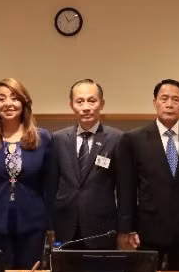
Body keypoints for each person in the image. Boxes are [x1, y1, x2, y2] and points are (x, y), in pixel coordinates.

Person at [116, 79, 179, 270]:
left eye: (176, 100)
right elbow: (126, 189)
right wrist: (127, 228)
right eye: (164, 98)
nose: (169, 104)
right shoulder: (133, 139)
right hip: (146, 229)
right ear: (154, 102)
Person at [0, 78, 53, 269]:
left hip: (33, 224)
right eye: (1, 98)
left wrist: (51, 225)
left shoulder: (43, 138)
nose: (8, 103)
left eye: (14, 98)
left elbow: (49, 186)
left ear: (24, 103)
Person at [47, 79, 122, 249]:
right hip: (64, 226)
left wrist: (124, 228)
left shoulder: (117, 139)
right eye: (80, 101)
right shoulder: (58, 139)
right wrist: (50, 224)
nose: (86, 107)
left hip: (102, 228)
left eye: (92, 100)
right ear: (72, 105)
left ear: (101, 104)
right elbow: (51, 186)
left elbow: (123, 189)